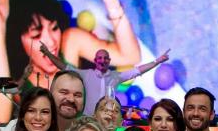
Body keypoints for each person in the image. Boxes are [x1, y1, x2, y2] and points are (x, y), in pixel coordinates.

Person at [0, 0, 142, 121]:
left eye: (54, 27)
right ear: (17, 41)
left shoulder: (70, 43)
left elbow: (130, 56)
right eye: (36, 35)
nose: (51, 42)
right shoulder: (17, 83)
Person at [42, 45, 170, 115]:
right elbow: (64, 67)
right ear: (95, 61)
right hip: (87, 121)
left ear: (109, 61)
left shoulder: (116, 76)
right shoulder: (86, 75)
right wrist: (47, 53)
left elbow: (138, 70)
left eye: (105, 58)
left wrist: (157, 61)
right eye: (99, 58)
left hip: (106, 122)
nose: (102, 60)